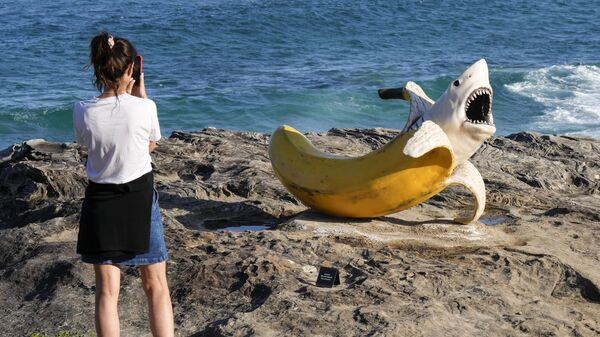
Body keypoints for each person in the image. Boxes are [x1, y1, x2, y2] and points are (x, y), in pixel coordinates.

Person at [73, 31, 174, 337]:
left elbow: (88, 146)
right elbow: (149, 144)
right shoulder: (146, 107)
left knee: (107, 293)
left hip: (101, 203)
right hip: (140, 201)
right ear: (132, 69)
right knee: (155, 286)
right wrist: (138, 95)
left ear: (97, 68)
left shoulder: (83, 110)